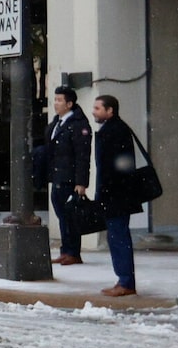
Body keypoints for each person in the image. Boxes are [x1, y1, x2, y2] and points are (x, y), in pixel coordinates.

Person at [85, 93, 148, 297]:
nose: (94, 112)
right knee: (116, 237)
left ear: (109, 110)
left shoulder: (114, 131)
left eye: (97, 108)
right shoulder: (112, 130)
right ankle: (123, 279)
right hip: (116, 194)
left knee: (118, 237)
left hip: (116, 196)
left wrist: (105, 192)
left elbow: (113, 168)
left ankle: (126, 282)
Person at [43, 85, 91, 266]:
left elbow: (82, 155)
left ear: (69, 103)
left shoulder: (78, 125)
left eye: (59, 100)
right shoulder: (58, 122)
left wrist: (81, 182)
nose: (56, 103)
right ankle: (66, 249)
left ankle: (73, 252)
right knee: (62, 215)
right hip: (57, 175)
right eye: (55, 99)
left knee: (71, 215)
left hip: (69, 177)